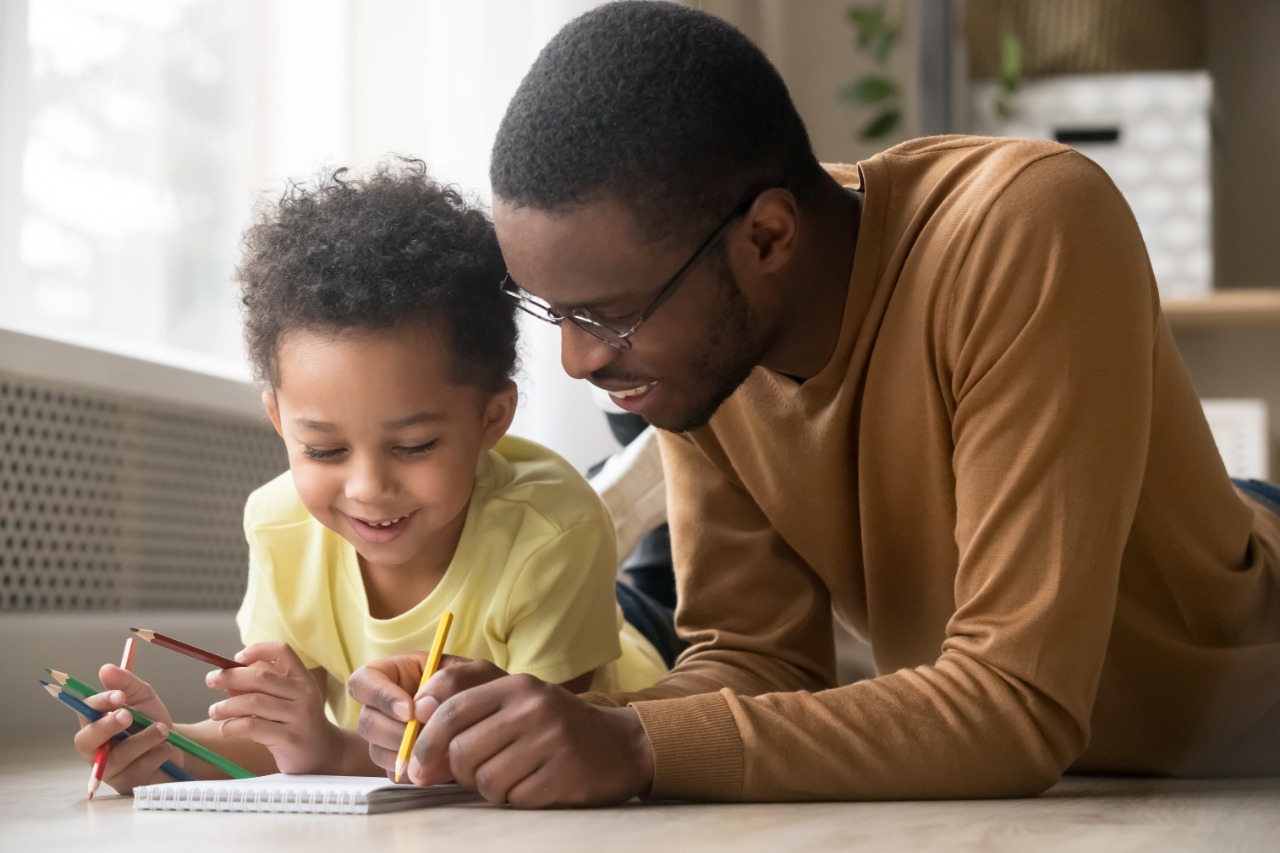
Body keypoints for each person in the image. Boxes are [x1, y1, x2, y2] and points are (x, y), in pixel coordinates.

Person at [348, 1, 1280, 807]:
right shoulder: (706, 350)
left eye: (613, 314)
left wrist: (633, 745)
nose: (580, 357)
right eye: (556, 310)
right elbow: (755, 664)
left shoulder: (1026, 225)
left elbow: (1017, 702)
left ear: (767, 237)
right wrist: (544, 726)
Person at [68, 158, 667, 793]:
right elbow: (283, 739)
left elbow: (519, 760)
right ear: (278, 420)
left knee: (664, 568)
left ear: (493, 417)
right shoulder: (278, 525)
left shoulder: (555, 531)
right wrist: (168, 750)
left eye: (413, 445)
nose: (368, 489)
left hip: (640, 655)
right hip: (554, 580)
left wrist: (329, 746)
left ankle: (653, 459)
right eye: (324, 451)